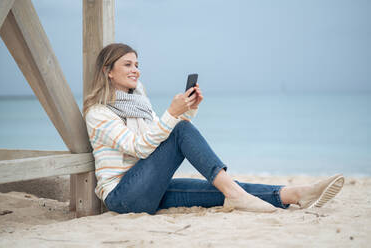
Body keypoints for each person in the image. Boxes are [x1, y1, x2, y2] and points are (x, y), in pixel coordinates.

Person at [83, 43, 344, 215]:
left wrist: (188, 109)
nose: (136, 70)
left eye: (137, 64)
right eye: (128, 64)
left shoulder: (138, 102)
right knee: (181, 130)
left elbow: (157, 139)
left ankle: (296, 194)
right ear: (108, 71)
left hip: (150, 186)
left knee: (221, 187)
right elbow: (139, 147)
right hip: (123, 196)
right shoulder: (98, 112)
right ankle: (239, 194)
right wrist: (173, 115)